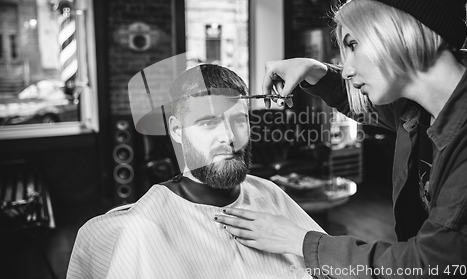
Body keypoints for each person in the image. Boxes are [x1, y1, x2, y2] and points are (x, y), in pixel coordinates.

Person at [215, 0, 467, 278]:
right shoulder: (423, 102)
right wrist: (316, 70)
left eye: (353, 45)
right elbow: (363, 104)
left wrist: (301, 241)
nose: (347, 70)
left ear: (404, 34)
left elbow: (433, 265)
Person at [67, 64, 324, 279]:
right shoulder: (146, 227)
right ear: (177, 130)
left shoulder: (269, 193)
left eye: (238, 120)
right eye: (209, 122)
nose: (229, 136)